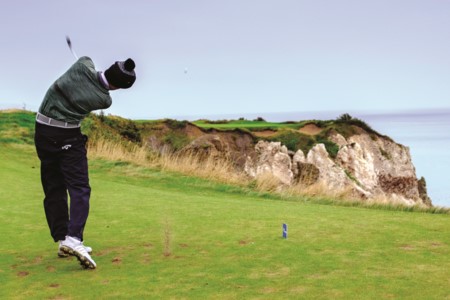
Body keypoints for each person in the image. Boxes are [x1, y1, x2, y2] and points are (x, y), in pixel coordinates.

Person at [34, 56, 136, 269]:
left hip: (42, 130)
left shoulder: (82, 65)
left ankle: (63, 238)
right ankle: (74, 239)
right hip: (67, 136)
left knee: (54, 186)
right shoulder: (104, 99)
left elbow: (87, 61)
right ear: (119, 88)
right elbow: (101, 86)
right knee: (79, 187)